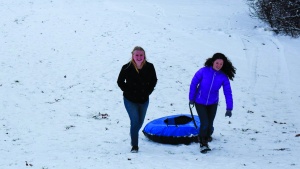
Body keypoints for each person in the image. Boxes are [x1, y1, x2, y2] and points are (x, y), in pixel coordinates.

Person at [189, 53, 236, 152]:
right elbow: (193, 84)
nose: (218, 65)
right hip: (199, 101)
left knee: (210, 126)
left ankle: (206, 135)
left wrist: (229, 108)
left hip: (212, 103)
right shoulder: (203, 71)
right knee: (204, 123)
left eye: (221, 64)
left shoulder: (223, 77)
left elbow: (228, 92)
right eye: (217, 63)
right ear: (213, 62)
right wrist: (191, 99)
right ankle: (203, 143)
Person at [117, 46, 157, 153]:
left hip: (144, 99)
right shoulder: (126, 67)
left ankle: (133, 132)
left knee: (140, 122)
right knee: (135, 122)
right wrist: (127, 91)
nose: (139, 57)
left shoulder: (150, 66)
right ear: (132, 56)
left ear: (144, 56)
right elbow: (120, 81)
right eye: (137, 55)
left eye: (141, 55)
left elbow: (154, 80)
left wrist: (148, 91)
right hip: (130, 100)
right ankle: (134, 145)